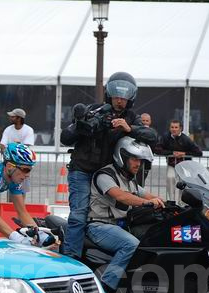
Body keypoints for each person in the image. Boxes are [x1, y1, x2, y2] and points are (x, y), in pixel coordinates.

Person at [59, 71, 147, 260]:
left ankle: (102, 255)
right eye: (116, 96)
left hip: (106, 174)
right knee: (79, 215)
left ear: (130, 98)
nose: (119, 101)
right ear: (109, 94)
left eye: (123, 98)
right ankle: (72, 259)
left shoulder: (131, 117)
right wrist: (84, 123)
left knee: (111, 215)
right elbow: (65, 137)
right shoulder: (95, 110)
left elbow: (152, 136)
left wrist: (129, 128)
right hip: (82, 171)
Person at [87, 137, 164, 293]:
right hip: (99, 227)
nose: (138, 164)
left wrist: (170, 204)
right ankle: (106, 288)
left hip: (119, 227)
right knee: (131, 244)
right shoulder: (105, 175)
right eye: (134, 159)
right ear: (122, 157)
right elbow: (122, 197)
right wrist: (148, 203)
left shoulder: (129, 180)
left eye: (140, 160)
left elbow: (147, 194)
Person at [156, 120, 203, 202]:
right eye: (172, 127)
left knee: (183, 183)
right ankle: (170, 200)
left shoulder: (186, 139)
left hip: (184, 165)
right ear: (169, 128)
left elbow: (199, 152)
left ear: (180, 128)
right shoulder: (165, 137)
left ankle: (181, 202)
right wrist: (171, 153)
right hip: (171, 164)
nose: (174, 129)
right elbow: (157, 149)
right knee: (170, 178)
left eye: (176, 127)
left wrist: (184, 153)